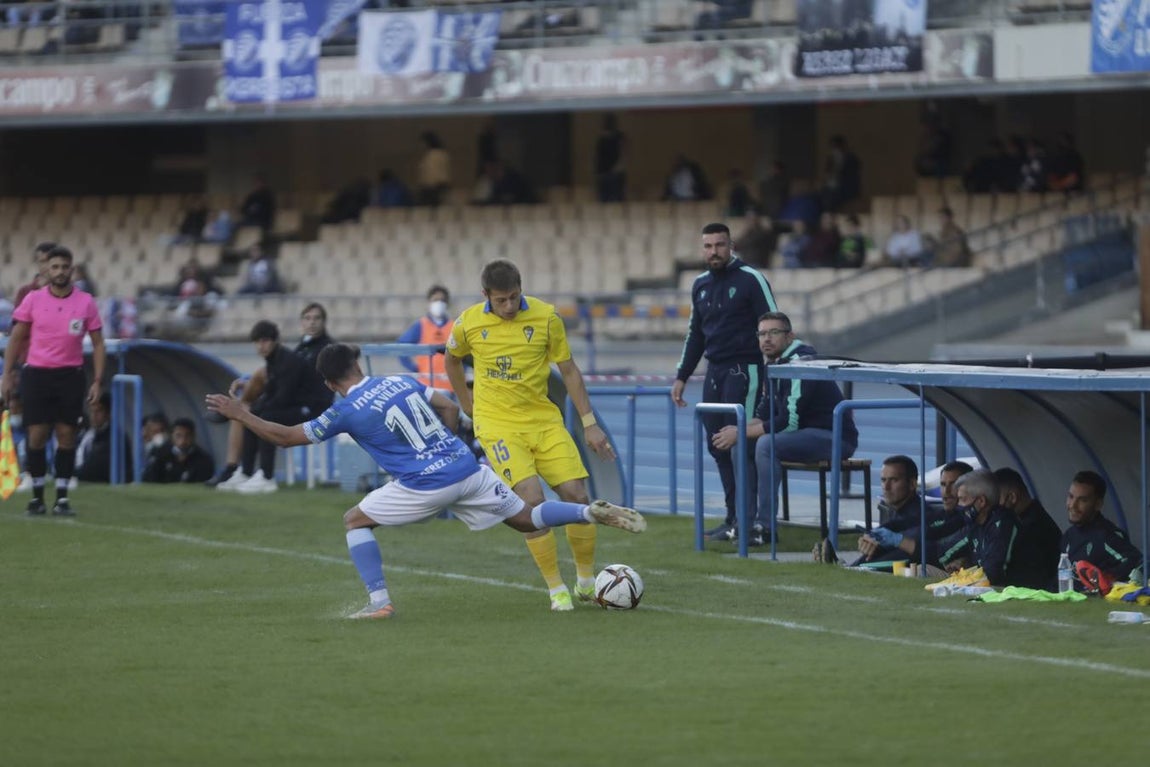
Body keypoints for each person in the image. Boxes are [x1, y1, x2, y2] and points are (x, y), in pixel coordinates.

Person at [207, 343, 646, 619]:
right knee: (531, 519)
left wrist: (241, 413)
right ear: (357, 363)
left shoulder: (344, 409)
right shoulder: (401, 380)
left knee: (355, 520)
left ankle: (380, 604)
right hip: (466, 468)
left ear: (329, 382)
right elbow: (452, 407)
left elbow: (285, 438)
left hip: (423, 484)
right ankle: (587, 511)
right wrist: (448, 448)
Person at [443, 260, 618, 611]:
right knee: (532, 502)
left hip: (543, 419)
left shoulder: (547, 317)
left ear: (521, 289)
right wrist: (468, 405)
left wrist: (589, 423)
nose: (508, 306)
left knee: (576, 494)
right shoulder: (468, 323)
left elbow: (568, 369)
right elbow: (451, 359)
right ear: (485, 296)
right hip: (498, 425)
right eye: (501, 300)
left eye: (514, 298)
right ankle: (557, 589)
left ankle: (585, 581)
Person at [672, 223, 779, 543]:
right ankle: (734, 516)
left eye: (719, 245)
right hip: (715, 373)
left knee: (740, 444)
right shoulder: (700, 284)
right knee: (717, 446)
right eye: (708, 246)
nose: (714, 252)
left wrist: (776, 368)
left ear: (731, 245)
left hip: (745, 370)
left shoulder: (751, 278)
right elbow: (696, 335)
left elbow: (773, 324)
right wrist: (682, 376)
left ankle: (752, 521)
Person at [711, 312, 857, 545]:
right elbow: (763, 414)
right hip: (804, 434)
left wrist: (741, 431)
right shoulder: (774, 363)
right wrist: (735, 430)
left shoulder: (801, 362)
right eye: (761, 333)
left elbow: (790, 421)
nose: (766, 339)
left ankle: (766, 527)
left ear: (790, 336)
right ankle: (744, 525)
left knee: (766, 444)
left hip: (834, 436)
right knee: (742, 444)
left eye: (773, 332)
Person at [2, 245, 105, 516]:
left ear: (72, 270)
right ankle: (37, 497)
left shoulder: (85, 302)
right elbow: (15, 338)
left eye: (65, 267)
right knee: (36, 435)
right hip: (36, 374)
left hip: (70, 375)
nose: (60, 272)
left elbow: (98, 343)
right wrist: (7, 374)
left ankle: (61, 498)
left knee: (66, 434)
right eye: (55, 267)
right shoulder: (33, 299)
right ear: (47, 270)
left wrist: (97, 379)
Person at [208, 305, 334, 488]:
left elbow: (286, 392)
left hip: (314, 408)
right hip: (297, 402)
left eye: (316, 318)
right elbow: (279, 386)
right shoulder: (299, 348)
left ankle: (266, 476)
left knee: (266, 415)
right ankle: (245, 472)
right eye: (307, 318)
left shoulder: (325, 349)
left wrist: (256, 406)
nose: (312, 322)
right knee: (254, 414)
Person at [823, 460, 973, 568]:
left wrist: (897, 539)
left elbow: (926, 539)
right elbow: (906, 525)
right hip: (925, 557)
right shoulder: (940, 514)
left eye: (894, 480)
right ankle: (851, 567)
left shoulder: (965, 519)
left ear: (913, 484)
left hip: (930, 563)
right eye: (942, 485)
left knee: (906, 551)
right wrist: (873, 535)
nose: (886, 487)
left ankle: (852, 569)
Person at [1061, 470, 1144, 587]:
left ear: (1098, 504)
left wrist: (1105, 578)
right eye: (1071, 497)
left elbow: (1138, 562)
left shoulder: (1106, 536)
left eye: (1082, 500)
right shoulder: (1069, 535)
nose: (1073, 505)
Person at [994, 467, 1060, 591]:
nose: (995, 507)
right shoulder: (1031, 519)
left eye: (997, 500)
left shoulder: (1034, 529)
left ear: (1012, 497)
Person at [398, 285, 455, 392]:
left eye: (442, 300)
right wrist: (413, 368)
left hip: (451, 386)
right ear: (429, 302)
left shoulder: (454, 326)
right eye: (435, 300)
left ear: (447, 303)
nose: (439, 303)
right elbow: (401, 346)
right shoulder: (420, 325)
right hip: (427, 387)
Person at [75, 393, 132, 484]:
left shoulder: (116, 438)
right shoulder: (87, 435)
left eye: (98, 411)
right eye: (92, 411)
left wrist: (74, 475)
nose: (94, 415)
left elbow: (97, 467)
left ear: (108, 413)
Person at [142, 417, 216, 484]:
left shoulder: (203, 459)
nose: (183, 441)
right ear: (171, 436)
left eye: (187, 436)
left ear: (193, 436)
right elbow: (149, 480)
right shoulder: (159, 455)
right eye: (178, 436)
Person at [822, 135, 861, 212]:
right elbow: (827, 174)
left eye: (837, 147)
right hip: (832, 189)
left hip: (846, 189)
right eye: (833, 147)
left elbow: (852, 177)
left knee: (832, 198)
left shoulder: (851, 158)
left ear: (843, 146)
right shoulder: (831, 159)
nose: (835, 150)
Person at [594, 114, 626, 203]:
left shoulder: (619, 137)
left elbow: (624, 153)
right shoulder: (601, 139)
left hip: (614, 173)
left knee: (615, 201)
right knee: (605, 201)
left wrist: (619, 166)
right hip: (604, 174)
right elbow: (598, 157)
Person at [14, 241, 55, 308]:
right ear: (37, 263)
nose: (46, 266)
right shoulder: (25, 291)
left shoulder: (67, 290)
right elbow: (18, 317)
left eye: (49, 261)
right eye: (42, 261)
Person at [416, 131, 452, 207]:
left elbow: (433, 174)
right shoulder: (436, 154)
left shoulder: (435, 155)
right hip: (433, 187)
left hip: (435, 188)